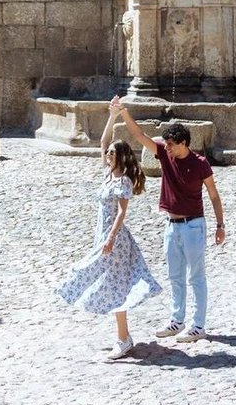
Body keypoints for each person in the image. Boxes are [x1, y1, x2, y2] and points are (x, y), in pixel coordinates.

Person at [112, 95, 225, 343]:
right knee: (175, 275)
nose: (168, 148)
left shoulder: (201, 164)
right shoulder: (164, 154)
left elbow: (214, 195)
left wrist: (220, 225)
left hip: (194, 225)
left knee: (196, 276)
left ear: (184, 143)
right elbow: (140, 136)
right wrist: (123, 113)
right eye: (167, 144)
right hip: (171, 226)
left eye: (172, 144)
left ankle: (198, 325)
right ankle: (177, 320)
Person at [57, 99, 161, 359]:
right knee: (109, 284)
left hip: (114, 240)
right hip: (102, 236)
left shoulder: (123, 181)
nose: (108, 155)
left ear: (122, 158)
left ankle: (123, 338)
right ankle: (122, 336)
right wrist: (113, 116)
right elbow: (103, 141)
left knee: (115, 286)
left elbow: (123, 213)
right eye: (108, 154)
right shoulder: (108, 174)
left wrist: (111, 238)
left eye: (113, 154)